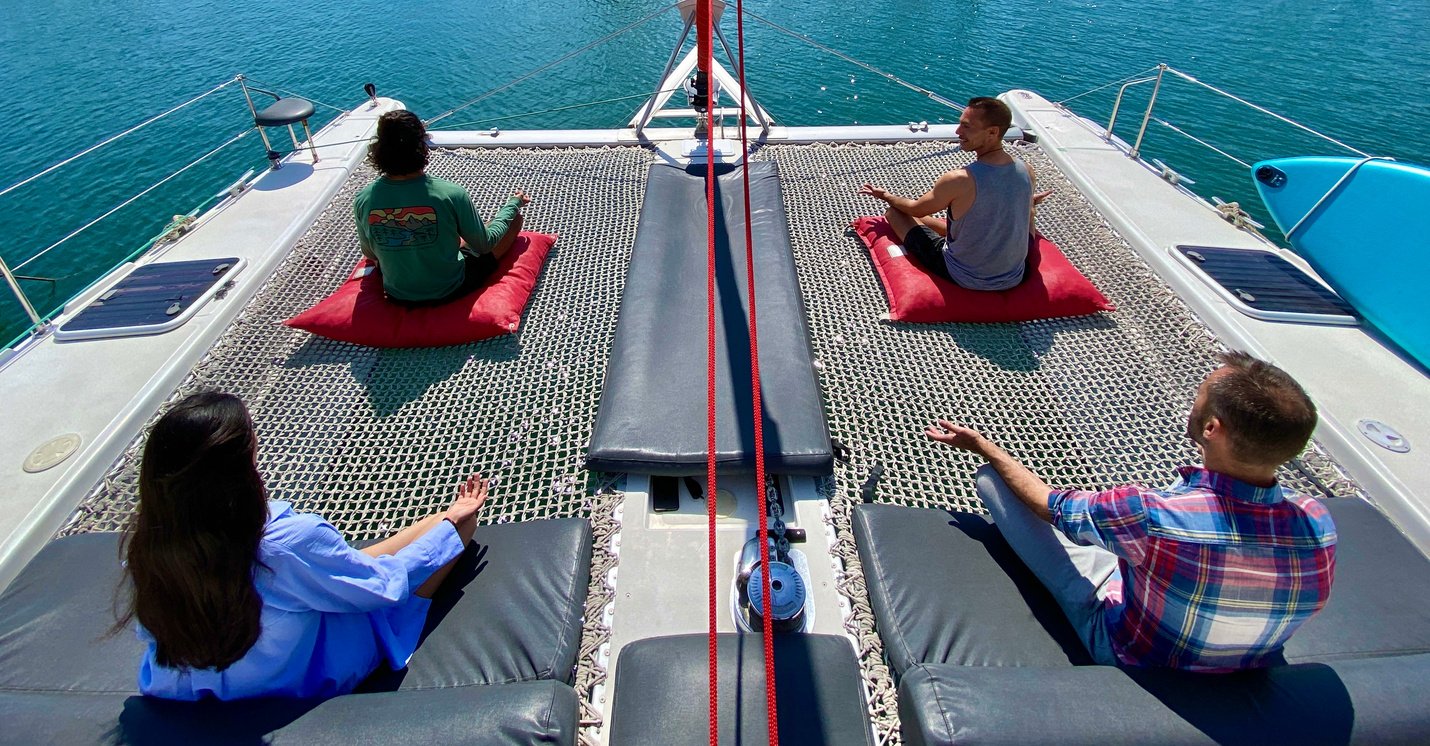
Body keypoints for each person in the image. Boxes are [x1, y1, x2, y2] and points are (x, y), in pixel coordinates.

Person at [925, 351, 1337, 671]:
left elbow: (1048, 504)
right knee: (1130, 545)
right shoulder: (1317, 520)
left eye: (1200, 395)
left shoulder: (1150, 514)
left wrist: (985, 447)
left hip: (1133, 656)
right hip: (1246, 666)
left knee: (995, 483)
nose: (1194, 401)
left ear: (1212, 428)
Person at [115, 391, 488, 700]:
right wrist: (446, 532)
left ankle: (423, 528)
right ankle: (449, 518)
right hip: (295, 681)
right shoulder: (286, 544)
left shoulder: (150, 552)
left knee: (345, 566)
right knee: (456, 529)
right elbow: (384, 588)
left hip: (182, 691)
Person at [859, 96, 1049, 291]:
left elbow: (916, 209)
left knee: (896, 212)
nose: (958, 132)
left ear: (992, 132)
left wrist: (886, 196)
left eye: (966, 126)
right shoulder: (1027, 170)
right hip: (1016, 275)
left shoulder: (960, 179)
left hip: (965, 276)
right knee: (1027, 211)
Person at [353, 109, 531, 304]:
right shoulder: (450, 193)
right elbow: (485, 244)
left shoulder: (364, 198)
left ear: (379, 149)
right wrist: (513, 204)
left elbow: (370, 253)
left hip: (398, 294)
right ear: (422, 146)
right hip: (451, 288)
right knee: (513, 221)